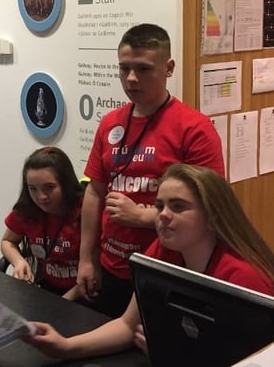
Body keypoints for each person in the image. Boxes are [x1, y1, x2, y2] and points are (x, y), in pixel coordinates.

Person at [29, 163, 274, 360]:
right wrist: (65, 347)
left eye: (178, 207)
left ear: (212, 216)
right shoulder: (165, 249)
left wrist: (174, 355)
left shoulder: (244, 277)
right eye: (159, 206)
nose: (163, 215)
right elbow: (129, 325)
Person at [77, 23, 225, 318]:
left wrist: (143, 217)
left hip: (168, 271)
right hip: (112, 266)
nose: (131, 79)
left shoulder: (194, 129)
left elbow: (212, 208)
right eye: (124, 69)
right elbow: (95, 191)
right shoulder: (110, 123)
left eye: (143, 69)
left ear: (168, 68)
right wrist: (85, 259)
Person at [1, 146, 85, 300]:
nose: (41, 197)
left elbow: (95, 272)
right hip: (47, 289)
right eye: (33, 189)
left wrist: (59, 304)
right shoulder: (27, 209)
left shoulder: (84, 210)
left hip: (82, 293)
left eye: (49, 187)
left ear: (65, 183)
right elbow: (7, 241)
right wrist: (18, 261)